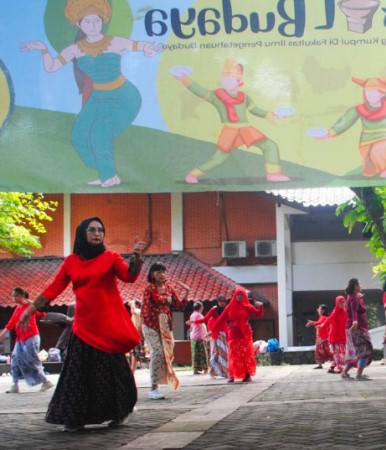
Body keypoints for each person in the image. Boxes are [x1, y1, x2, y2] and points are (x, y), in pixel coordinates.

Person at [18, 217, 144, 431]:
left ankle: (120, 412)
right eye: (92, 230)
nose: (97, 234)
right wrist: (29, 310)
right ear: (82, 233)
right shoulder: (71, 261)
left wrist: (136, 258)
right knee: (77, 373)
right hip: (83, 326)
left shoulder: (110, 257)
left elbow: (129, 276)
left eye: (101, 230)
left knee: (113, 372)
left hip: (107, 325)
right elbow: (53, 288)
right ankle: (75, 417)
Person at [21, 0, 163, 187]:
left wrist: (151, 51)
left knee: (99, 132)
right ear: (79, 24)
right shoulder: (75, 49)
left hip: (123, 97)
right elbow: (52, 66)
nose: (93, 25)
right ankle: (105, 170)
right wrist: (44, 49)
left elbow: (145, 46)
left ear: (102, 21)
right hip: (98, 97)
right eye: (87, 22)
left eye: (96, 21)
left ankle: (109, 176)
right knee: (78, 135)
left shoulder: (115, 42)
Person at [173, 58, 292, 184]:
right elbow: (200, 90)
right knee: (220, 158)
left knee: (270, 146)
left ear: (239, 81)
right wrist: (185, 79)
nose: (227, 81)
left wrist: (274, 114)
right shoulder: (216, 96)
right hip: (230, 130)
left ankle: (273, 174)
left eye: (231, 79)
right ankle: (193, 174)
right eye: (225, 79)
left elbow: (256, 110)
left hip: (246, 128)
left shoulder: (244, 97)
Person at [314, 75, 386, 178]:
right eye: (368, 92)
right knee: (369, 170)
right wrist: (328, 133)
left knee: (379, 150)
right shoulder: (359, 109)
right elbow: (345, 121)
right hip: (366, 142)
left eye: (375, 92)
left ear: (383, 93)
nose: (371, 95)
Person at [142, 262, 190, 400]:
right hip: (151, 325)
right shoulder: (149, 289)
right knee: (157, 353)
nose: (162, 274)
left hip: (166, 326)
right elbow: (145, 309)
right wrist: (144, 326)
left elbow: (179, 306)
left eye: (164, 272)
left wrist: (186, 293)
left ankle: (158, 384)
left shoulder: (169, 288)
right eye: (158, 272)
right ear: (152, 275)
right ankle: (153, 389)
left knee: (165, 355)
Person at [1, 288, 53, 394]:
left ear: (21, 296)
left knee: (32, 360)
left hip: (31, 337)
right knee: (14, 359)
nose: (13, 298)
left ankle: (46, 381)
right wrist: (2, 334)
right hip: (20, 339)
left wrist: (30, 302)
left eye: (15, 296)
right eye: (13, 296)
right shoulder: (17, 309)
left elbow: (42, 314)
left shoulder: (30, 306)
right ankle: (15, 385)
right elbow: (10, 324)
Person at [216, 289, 264, 382]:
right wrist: (212, 330)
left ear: (244, 296)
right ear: (235, 295)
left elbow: (258, 314)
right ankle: (232, 375)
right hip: (233, 334)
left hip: (245, 334)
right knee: (233, 355)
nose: (240, 297)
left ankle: (247, 375)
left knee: (246, 355)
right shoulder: (229, 307)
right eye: (238, 295)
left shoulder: (247, 306)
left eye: (242, 295)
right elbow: (220, 319)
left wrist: (260, 306)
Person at [191, 295, 229, 379]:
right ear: (218, 302)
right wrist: (193, 322)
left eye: (224, 301)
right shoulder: (214, 310)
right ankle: (213, 371)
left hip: (224, 333)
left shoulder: (227, 309)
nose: (222, 303)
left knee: (224, 353)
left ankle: (225, 372)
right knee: (216, 353)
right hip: (216, 333)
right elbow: (205, 319)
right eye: (220, 301)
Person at [342, 278, 374, 380]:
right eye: (359, 284)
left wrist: (359, 298)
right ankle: (359, 375)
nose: (361, 285)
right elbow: (354, 311)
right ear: (356, 286)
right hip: (357, 328)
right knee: (364, 351)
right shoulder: (354, 298)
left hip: (356, 328)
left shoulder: (353, 297)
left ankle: (344, 372)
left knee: (357, 353)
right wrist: (355, 322)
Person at [321, 295, 347, 374]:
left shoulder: (345, 311)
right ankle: (339, 367)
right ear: (337, 303)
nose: (343, 304)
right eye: (341, 302)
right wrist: (323, 325)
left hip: (342, 335)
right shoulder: (336, 311)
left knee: (342, 352)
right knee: (336, 352)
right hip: (335, 335)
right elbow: (329, 319)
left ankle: (333, 367)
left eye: (343, 302)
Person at [306, 304, 333, 370]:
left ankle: (334, 362)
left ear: (323, 311)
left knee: (326, 351)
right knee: (318, 351)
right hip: (320, 337)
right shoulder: (322, 317)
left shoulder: (324, 318)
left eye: (319, 309)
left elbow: (319, 323)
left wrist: (313, 323)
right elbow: (319, 322)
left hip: (323, 338)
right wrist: (314, 323)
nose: (317, 310)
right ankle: (320, 364)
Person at [189, 302, 209, 375]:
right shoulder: (199, 315)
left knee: (195, 354)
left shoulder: (192, 315)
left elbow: (191, 326)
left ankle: (195, 369)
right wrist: (206, 334)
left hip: (193, 336)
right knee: (203, 353)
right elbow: (202, 325)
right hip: (200, 336)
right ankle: (205, 369)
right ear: (200, 308)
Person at [127, 299, 144, 374]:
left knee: (136, 354)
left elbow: (133, 311)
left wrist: (132, 303)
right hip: (136, 335)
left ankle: (132, 372)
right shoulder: (138, 313)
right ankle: (132, 372)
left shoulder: (139, 311)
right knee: (135, 353)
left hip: (138, 335)